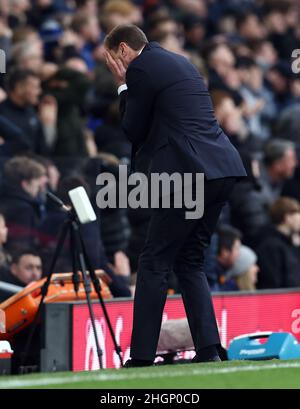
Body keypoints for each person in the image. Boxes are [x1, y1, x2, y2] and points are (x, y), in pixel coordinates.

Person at [104, 24, 246, 367]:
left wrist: (121, 84)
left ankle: (140, 357)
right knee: (190, 260)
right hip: (222, 167)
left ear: (123, 50)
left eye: (110, 57)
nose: (111, 63)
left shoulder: (139, 68)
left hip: (188, 173)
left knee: (153, 261)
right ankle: (209, 349)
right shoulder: (180, 61)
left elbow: (132, 128)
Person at [256, 197, 300, 289]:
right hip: (283, 300)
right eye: (298, 215)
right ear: (288, 217)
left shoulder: (291, 243)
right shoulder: (271, 246)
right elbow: (273, 283)